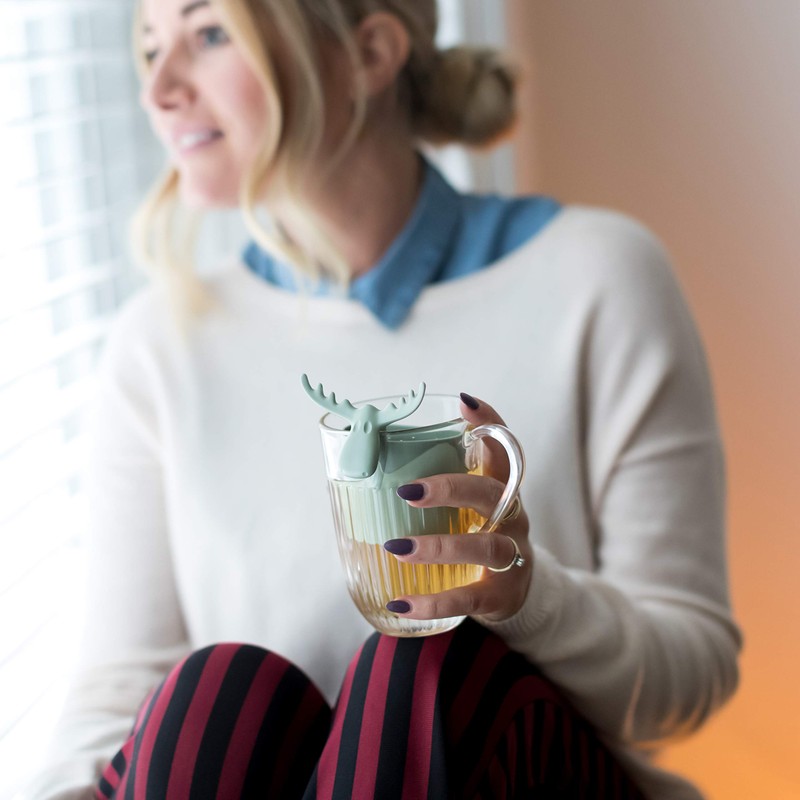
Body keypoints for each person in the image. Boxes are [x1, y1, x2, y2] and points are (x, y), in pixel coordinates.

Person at [26, 0, 741, 798]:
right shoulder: (160, 343)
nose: (158, 89)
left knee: (427, 659)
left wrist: (527, 596)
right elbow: (118, 690)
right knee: (213, 695)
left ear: (369, 53)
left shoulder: (599, 279)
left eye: (210, 34)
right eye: (150, 46)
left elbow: (689, 675)